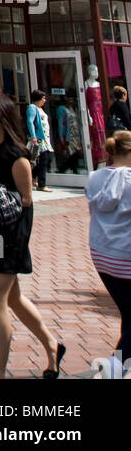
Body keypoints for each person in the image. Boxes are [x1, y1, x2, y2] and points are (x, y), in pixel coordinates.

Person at [0, 93, 64, 379]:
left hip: (14, 229)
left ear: (0, 119)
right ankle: (52, 346)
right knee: (13, 299)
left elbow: (26, 200)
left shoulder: (17, 155)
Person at [86, 129, 131, 379]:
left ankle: (120, 366)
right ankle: (113, 367)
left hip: (102, 257)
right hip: (126, 257)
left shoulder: (94, 178)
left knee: (128, 313)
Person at [25, 89, 54, 192]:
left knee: (46, 159)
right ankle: (42, 184)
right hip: (39, 139)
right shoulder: (32, 107)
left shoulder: (40, 108)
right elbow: (30, 121)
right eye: (43, 98)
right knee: (43, 160)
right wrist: (33, 136)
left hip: (45, 139)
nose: (45, 100)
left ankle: (33, 177)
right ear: (37, 99)